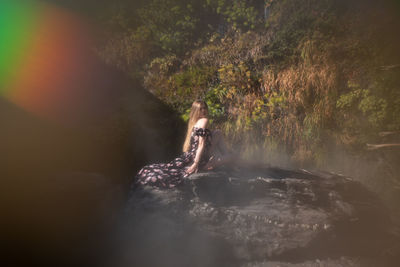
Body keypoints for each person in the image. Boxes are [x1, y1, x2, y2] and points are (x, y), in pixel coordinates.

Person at [134, 100, 233, 189]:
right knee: (232, 157)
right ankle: (226, 160)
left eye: (205, 108)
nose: (203, 110)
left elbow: (204, 144)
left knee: (218, 133)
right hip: (197, 158)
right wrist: (195, 164)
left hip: (191, 156)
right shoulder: (204, 120)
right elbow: (201, 145)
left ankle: (224, 158)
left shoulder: (194, 124)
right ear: (196, 110)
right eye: (200, 108)